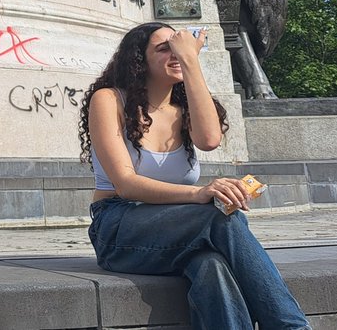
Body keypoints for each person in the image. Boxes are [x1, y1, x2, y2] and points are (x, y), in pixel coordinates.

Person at [79, 22, 310, 330]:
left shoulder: (184, 109)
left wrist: (191, 63)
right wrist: (200, 193)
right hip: (119, 227)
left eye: (180, 47)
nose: (176, 54)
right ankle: (290, 326)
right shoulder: (109, 100)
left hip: (179, 230)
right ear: (139, 59)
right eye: (165, 49)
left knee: (212, 267)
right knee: (219, 217)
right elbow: (126, 183)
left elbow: (210, 140)